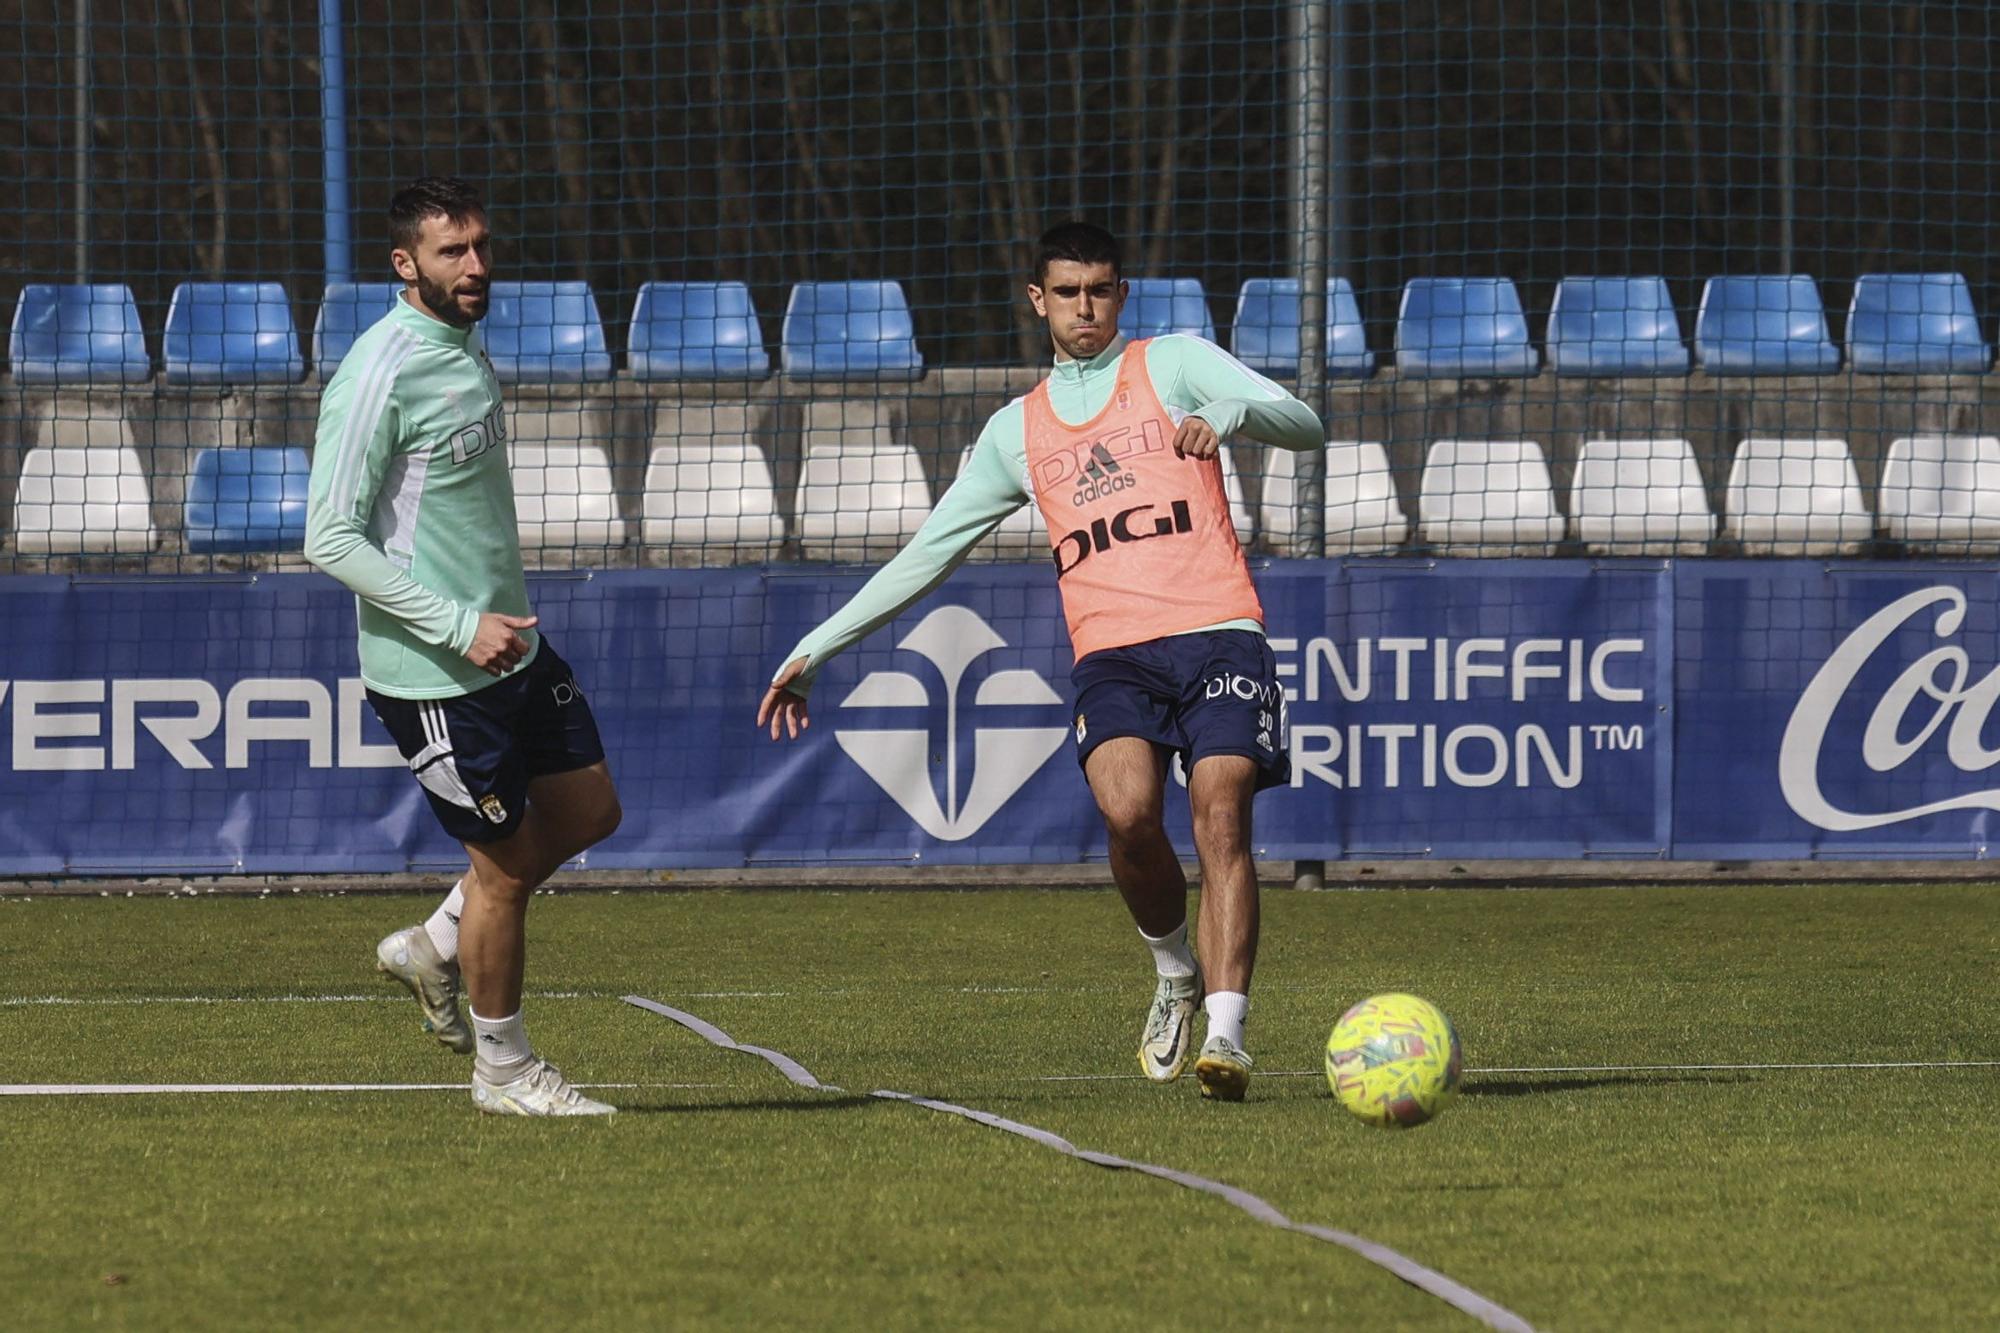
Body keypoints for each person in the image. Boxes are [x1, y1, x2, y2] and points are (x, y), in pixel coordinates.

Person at [757, 222, 1323, 1100]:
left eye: (1100, 289)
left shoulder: (1175, 364)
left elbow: (1307, 421)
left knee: (1221, 809)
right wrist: (814, 648)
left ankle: (1228, 1034)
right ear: (1038, 300)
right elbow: (926, 553)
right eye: (1068, 291)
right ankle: (1172, 969)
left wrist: (1227, 412)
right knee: (1130, 813)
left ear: (1121, 294)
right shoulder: (1015, 430)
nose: (1085, 306)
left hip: (1218, 629)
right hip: (1114, 654)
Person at [306, 176, 622, 1116]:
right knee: (505, 869)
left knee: (591, 811)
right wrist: (455, 623)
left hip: (512, 644)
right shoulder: (379, 369)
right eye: (454, 252)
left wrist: (491, 621)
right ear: (406, 265)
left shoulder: (462, 336)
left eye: (482, 245)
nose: (478, 266)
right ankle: (504, 1071)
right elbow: (329, 535)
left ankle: (434, 944)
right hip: (437, 670)